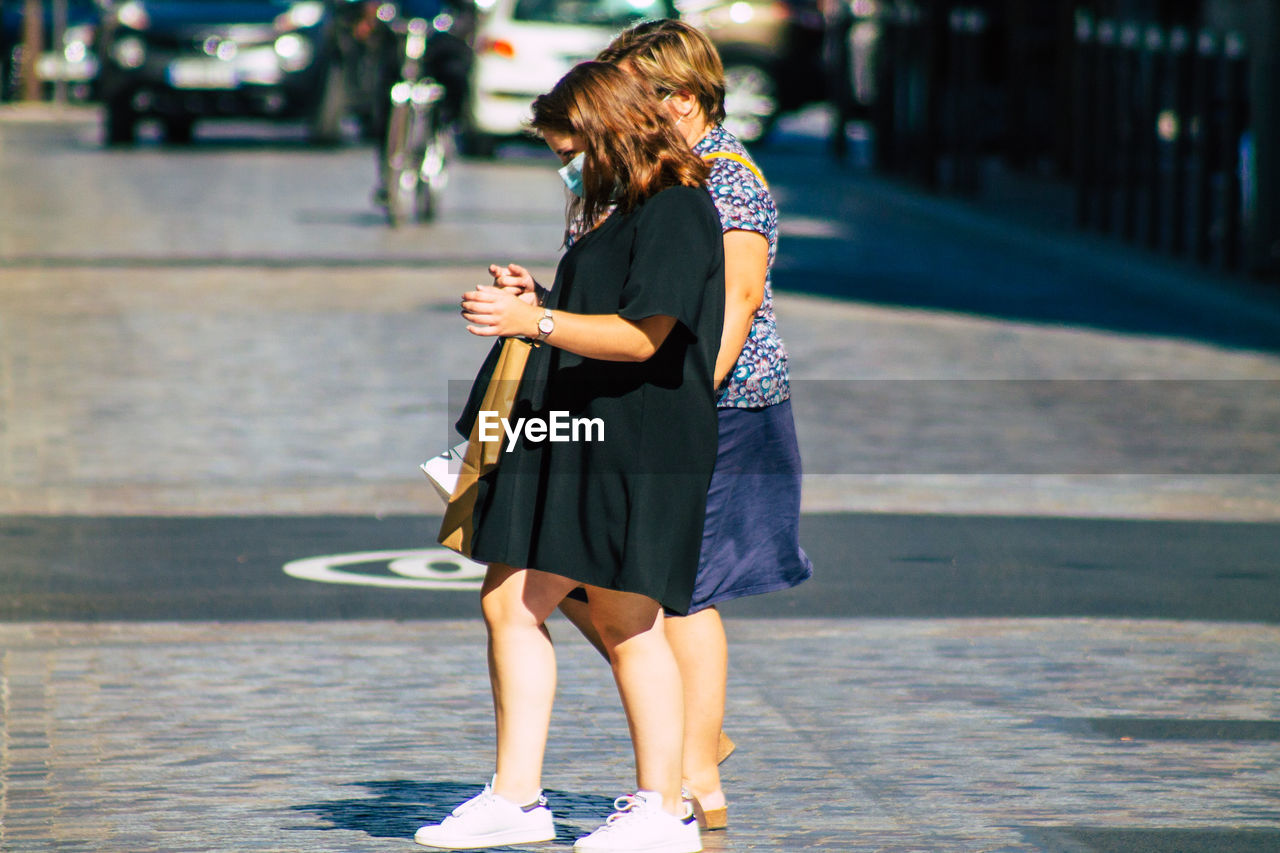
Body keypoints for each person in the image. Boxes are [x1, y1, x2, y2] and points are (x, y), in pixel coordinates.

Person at [491, 19, 812, 833]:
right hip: (634, 396)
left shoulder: (720, 182)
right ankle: (678, 761)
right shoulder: (636, 174)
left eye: (638, 90)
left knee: (678, 590)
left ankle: (691, 774)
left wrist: (670, 406)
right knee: (598, 584)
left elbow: (730, 304)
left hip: (719, 403)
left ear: (678, 97)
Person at [414, 61, 724, 853]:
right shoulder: (621, 208)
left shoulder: (678, 209)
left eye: (569, 149)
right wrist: (542, 302)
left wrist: (535, 322)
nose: (565, 166)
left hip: (640, 442)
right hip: (583, 430)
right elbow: (602, 312)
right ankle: (516, 797)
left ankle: (665, 809)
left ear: (611, 132)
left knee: (626, 619)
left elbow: (644, 336)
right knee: (510, 596)